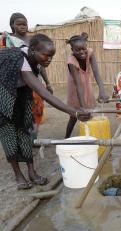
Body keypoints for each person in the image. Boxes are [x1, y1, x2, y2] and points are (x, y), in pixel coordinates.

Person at [0, 34, 91, 190]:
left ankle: (31, 171)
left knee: (25, 131)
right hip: (3, 94)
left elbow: (37, 83)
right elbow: (43, 92)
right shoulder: (20, 59)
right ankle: (18, 174)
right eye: (46, 55)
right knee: (8, 133)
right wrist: (74, 112)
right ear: (33, 50)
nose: (49, 59)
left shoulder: (33, 58)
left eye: (51, 56)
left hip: (22, 94)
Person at [0, 13, 53, 143]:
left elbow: (41, 65)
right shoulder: (7, 41)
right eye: (19, 24)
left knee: (37, 110)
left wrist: (47, 83)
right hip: (17, 84)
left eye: (25, 23)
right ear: (12, 25)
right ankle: (22, 140)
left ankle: (33, 138)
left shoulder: (33, 41)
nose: (22, 26)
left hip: (34, 80)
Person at [64, 33, 109, 138]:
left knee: (89, 111)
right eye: (77, 50)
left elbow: (96, 73)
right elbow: (78, 85)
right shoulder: (71, 61)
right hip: (75, 87)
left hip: (86, 84)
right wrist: (83, 108)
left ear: (86, 46)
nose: (81, 52)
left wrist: (102, 91)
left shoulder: (90, 53)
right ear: (72, 49)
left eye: (83, 49)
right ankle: (66, 138)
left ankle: (89, 137)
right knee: (74, 116)